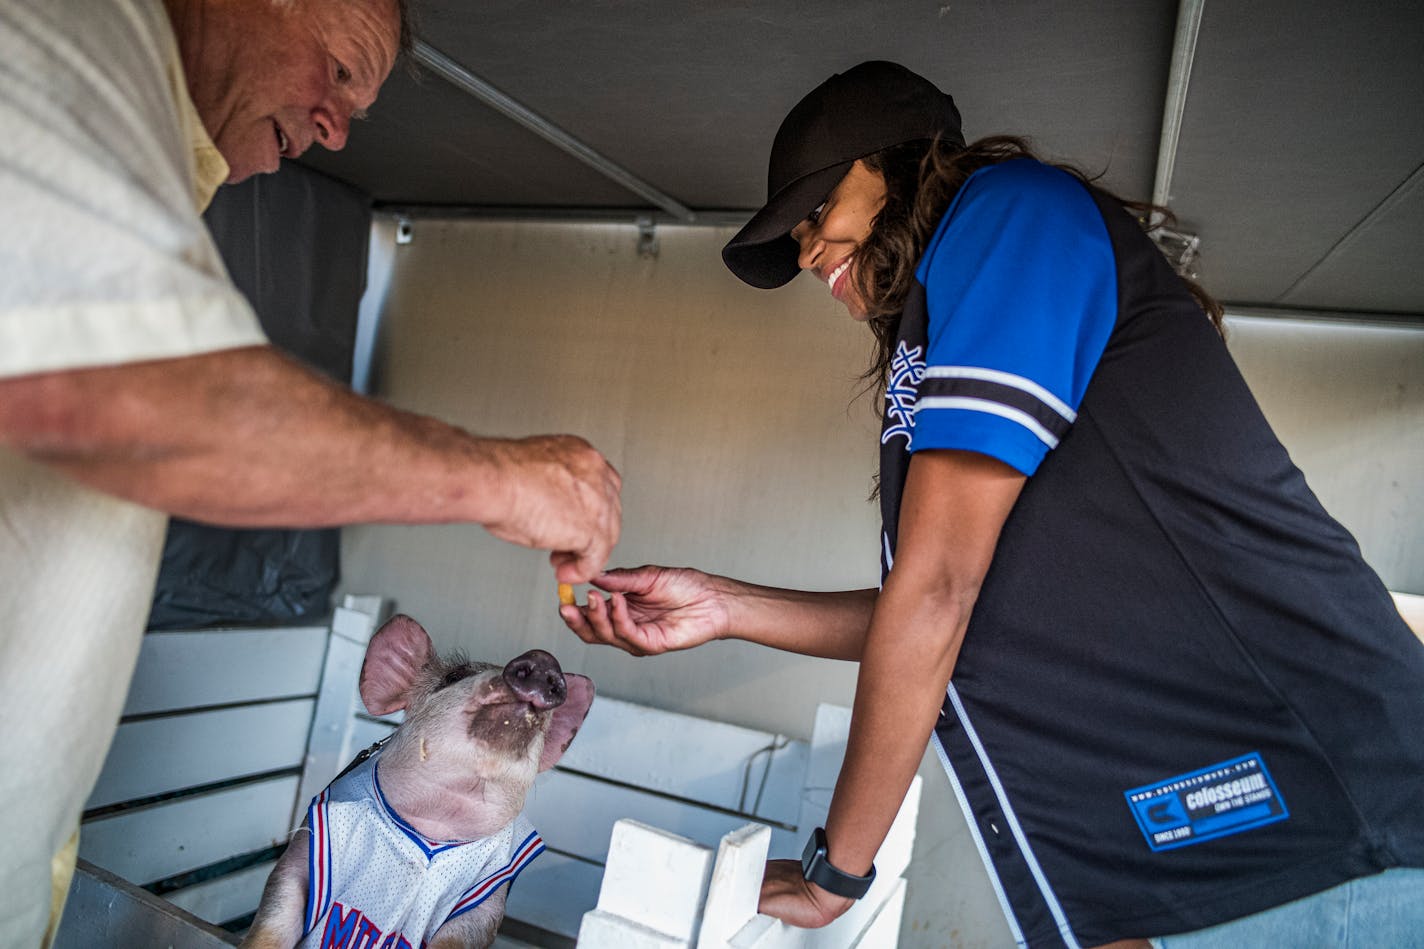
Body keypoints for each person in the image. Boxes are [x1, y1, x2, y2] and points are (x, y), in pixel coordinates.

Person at [560, 61, 1424, 947]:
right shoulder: (943, 326)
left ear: (894, 163)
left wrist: (837, 871)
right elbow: (964, 608)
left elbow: (938, 594)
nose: (807, 249)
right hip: (1213, 860)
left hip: (1329, 824)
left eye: (816, 213)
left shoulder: (1008, 214)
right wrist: (726, 605)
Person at [0, 1, 620, 945]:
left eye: (355, 106)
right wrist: (500, 478)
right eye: (335, 67)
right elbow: (124, 394)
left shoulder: (158, 151)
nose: (333, 125)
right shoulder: (74, 33)